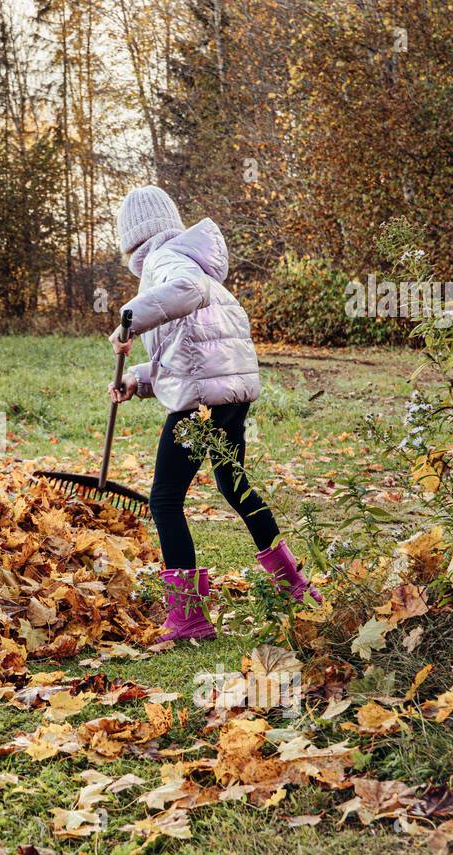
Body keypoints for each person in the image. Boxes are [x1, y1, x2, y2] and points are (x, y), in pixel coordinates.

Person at [108, 185, 320, 643]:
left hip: (202, 404)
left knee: (164, 499)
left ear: (131, 237)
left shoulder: (169, 265)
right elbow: (189, 350)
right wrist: (138, 379)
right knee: (232, 484)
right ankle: (294, 585)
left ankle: (187, 617)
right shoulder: (189, 260)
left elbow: (186, 292)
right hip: (229, 395)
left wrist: (129, 318)